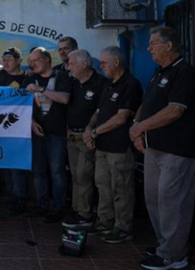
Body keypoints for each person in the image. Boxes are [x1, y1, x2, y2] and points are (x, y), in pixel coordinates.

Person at [130, 26, 195, 270]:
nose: (148, 48)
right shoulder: (158, 72)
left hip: (177, 150)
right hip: (153, 148)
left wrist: (139, 128)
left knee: (173, 203)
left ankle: (174, 254)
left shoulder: (184, 72)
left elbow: (175, 110)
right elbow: (146, 104)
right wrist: (137, 127)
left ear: (169, 45)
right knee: (154, 199)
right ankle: (165, 245)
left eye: (153, 43)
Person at [80, 46, 142, 244]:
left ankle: (123, 227)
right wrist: (89, 128)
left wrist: (95, 132)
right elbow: (98, 112)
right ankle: (104, 222)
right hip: (102, 147)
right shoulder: (108, 85)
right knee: (103, 186)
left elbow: (122, 117)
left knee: (121, 188)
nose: (101, 66)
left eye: (104, 62)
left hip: (119, 147)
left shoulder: (130, 84)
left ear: (116, 62)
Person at [24, 47, 71, 223]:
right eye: (31, 61)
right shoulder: (29, 79)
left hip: (57, 132)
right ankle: (41, 203)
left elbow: (65, 99)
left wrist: (41, 89)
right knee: (38, 171)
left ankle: (58, 206)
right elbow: (22, 105)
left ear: (47, 59)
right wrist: (31, 122)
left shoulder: (62, 77)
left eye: (36, 60)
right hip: (37, 132)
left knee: (57, 171)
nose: (32, 64)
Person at [61, 49, 106, 230]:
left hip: (87, 137)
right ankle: (77, 209)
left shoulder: (100, 83)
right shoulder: (72, 83)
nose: (69, 67)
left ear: (84, 64)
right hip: (71, 136)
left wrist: (91, 129)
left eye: (72, 64)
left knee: (84, 175)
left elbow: (102, 110)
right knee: (75, 176)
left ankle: (85, 214)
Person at [0, 47, 28, 214]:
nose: (5, 63)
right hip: (3, 128)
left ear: (19, 61)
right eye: (4, 60)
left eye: (9, 60)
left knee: (17, 165)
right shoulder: (0, 77)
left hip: (21, 129)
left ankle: (20, 198)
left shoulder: (27, 78)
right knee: (6, 164)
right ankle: (10, 196)